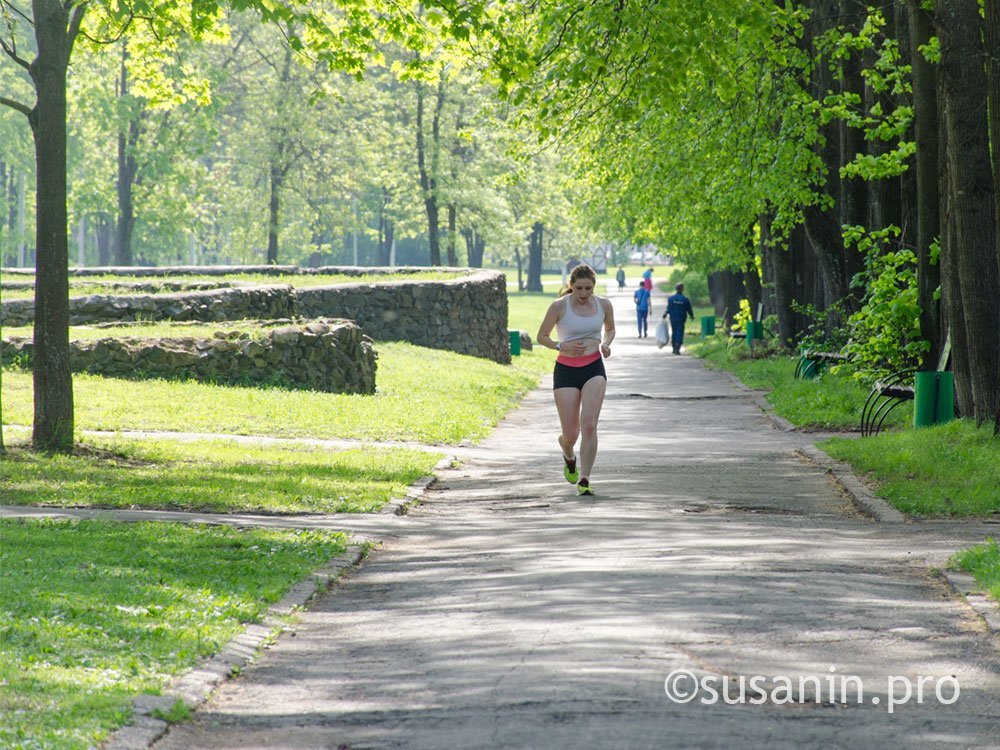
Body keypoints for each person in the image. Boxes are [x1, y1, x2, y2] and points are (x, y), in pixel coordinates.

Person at [537, 264, 616, 496]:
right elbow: (542, 336)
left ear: (594, 286)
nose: (583, 293)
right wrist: (560, 346)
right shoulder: (559, 306)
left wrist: (605, 344)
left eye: (588, 288)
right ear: (571, 285)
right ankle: (568, 454)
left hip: (593, 367)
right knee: (571, 434)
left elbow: (610, 329)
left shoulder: (604, 304)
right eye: (579, 288)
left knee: (589, 424)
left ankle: (585, 478)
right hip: (566, 370)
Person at [663, 282, 695, 354]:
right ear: (682, 289)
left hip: (673, 318)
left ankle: (674, 346)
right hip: (681, 318)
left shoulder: (671, 299)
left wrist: (665, 313)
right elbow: (689, 309)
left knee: (674, 331)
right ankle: (677, 347)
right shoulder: (685, 299)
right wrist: (692, 315)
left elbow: (669, 308)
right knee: (680, 332)